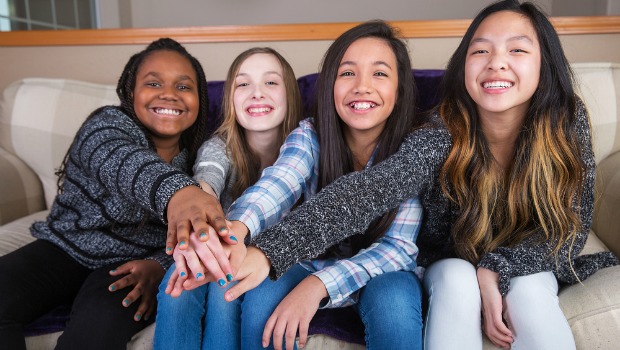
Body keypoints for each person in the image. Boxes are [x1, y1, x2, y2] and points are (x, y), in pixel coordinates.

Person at [168, 1, 619, 349]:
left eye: (517, 50)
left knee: (532, 299)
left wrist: (498, 268)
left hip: (516, 257)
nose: (497, 62)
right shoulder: (443, 130)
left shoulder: (564, 120)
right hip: (451, 259)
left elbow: (571, 226)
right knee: (458, 282)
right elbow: (363, 190)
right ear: (464, 65)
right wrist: (257, 242)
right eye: (481, 50)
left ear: (545, 64)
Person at [169, 20, 424, 350]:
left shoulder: (414, 149)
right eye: (347, 73)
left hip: (384, 271)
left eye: (379, 73)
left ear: (400, 89)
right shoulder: (309, 134)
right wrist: (236, 231)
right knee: (260, 294)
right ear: (329, 84)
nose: (362, 86)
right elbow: (278, 183)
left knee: (396, 303)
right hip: (306, 259)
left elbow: (398, 249)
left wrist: (319, 285)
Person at [0, 37, 218, 350]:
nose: (169, 94)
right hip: (67, 246)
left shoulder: (203, 157)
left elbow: (204, 230)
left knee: (95, 332)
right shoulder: (106, 125)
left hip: (133, 266)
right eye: (153, 83)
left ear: (201, 101)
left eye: (184, 87)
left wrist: (160, 264)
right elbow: (123, 162)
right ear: (131, 92)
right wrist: (179, 194)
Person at [153, 47, 302, 350]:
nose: (256, 93)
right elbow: (206, 180)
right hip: (226, 244)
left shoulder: (305, 146)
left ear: (291, 95)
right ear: (231, 99)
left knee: (225, 289)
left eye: (271, 83)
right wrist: (202, 222)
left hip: (287, 253)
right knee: (179, 282)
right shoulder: (219, 147)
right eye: (243, 84)